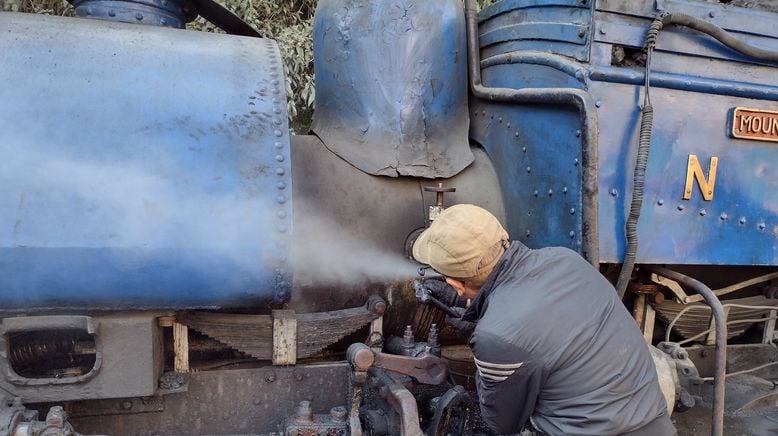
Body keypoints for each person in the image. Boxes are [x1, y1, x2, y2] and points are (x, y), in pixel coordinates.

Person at [412, 204, 674, 436]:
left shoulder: (497, 335)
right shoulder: (566, 259)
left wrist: (479, 333)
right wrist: (481, 310)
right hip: (654, 422)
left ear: (454, 283)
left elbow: (501, 424)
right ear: (502, 234)